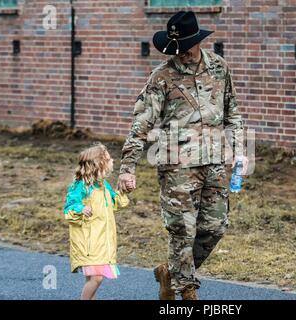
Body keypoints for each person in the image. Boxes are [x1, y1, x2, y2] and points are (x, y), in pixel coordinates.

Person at [117, 11, 248, 300]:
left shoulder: (219, 67)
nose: (182, 55)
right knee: (182, 230)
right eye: (176, 50)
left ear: (197, 42)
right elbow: (141, 123)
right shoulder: (162, 77)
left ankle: (170, 272)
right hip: (177, 166)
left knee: (215, 226)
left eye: (186, 49)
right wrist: (128, 167)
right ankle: (186, 290)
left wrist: (240, 151)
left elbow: (233, 112)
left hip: (214, 161)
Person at [64, 143, 129, 300]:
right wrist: (80, 209)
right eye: (109, 159)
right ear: (99, 164)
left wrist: (123, 191)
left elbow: (115, 204)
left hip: (102, 240)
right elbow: (69, 207)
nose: (113, 160)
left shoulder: (104, 186)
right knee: (97, 278)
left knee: (92, 279)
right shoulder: (81, 186)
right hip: (88, 242)